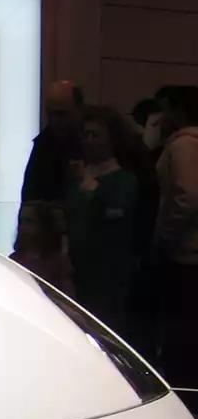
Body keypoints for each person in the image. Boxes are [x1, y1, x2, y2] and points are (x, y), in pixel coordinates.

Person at [64, 107, 142, 337]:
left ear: (113, 139)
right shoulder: (76, 179)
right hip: (74, 272)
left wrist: (90, 189)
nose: (89, 141)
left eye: (96, 135)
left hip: (107, 276)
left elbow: (115, 218)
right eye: (86, 135)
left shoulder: (124, 181)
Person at [153, 86, 198, 385]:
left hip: (185, 254)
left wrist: (166, 235)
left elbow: (188, 196)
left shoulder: (183, 146)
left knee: (182, 335)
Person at [21, 79, 82, 204]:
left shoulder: (89, 141)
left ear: (78, 111)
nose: (56, 120)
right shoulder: (43, 145)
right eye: (51, 114)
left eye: (62, 114)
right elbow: (29, 196)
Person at [12, 201, 73, 293]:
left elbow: (66, 296)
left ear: (42, 226)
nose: (23, 227)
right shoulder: (13, 260)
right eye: (21, 221)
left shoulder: (58, 263)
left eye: (29, 222)